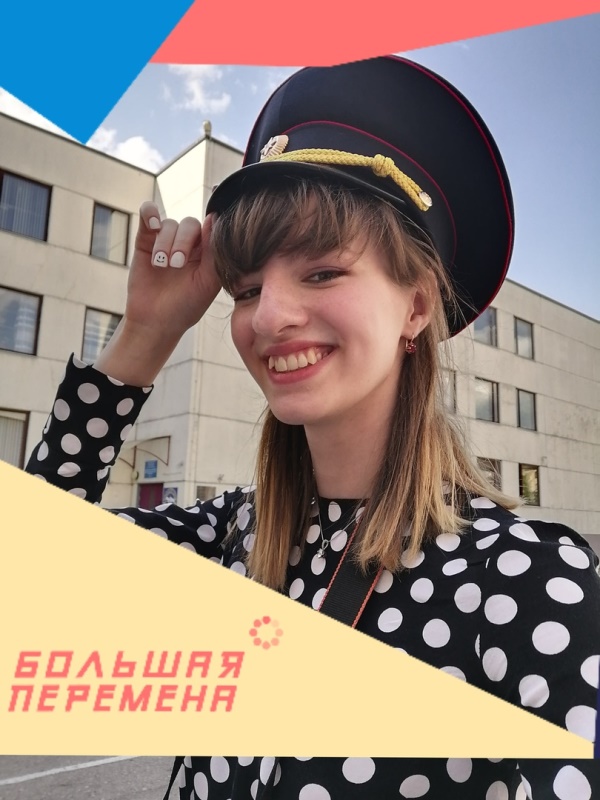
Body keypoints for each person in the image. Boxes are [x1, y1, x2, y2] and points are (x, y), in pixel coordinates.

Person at [26, 56, 599, 799]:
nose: (266, 318)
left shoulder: (524, 585)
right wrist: (145, 335)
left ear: (416, 307)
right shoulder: (231, 539)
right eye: (245, 289)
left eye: (322, 272)